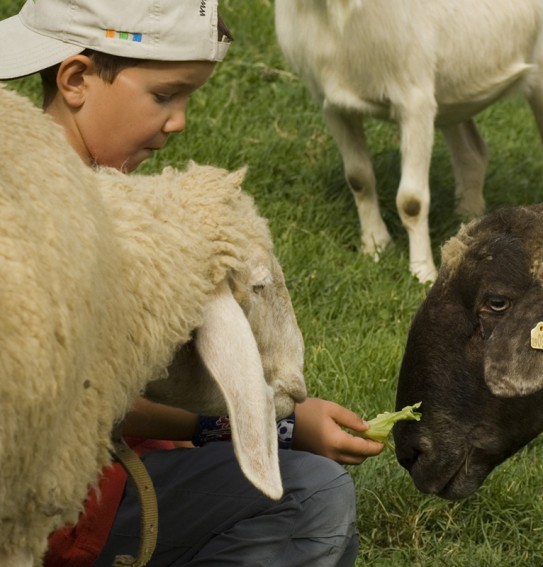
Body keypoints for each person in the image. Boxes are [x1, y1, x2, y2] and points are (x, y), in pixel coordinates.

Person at [0, 1, 384, 565]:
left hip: (96, 480)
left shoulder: (83, 195)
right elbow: (88, 401)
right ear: (77, 79)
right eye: (163, 96)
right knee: (312, 494)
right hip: (58, 510)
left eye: (187, 98)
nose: (179, 121)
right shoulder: (46, 232)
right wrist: (270, 428)